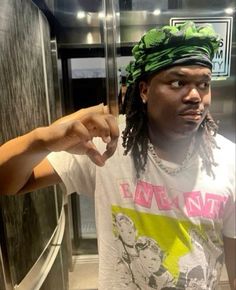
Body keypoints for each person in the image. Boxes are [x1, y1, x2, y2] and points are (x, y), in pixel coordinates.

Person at [0, 21, 235, 289]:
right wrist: (41, 140)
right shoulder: (108, 144)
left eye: (204, 84)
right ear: (144, 90)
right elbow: (9, 182)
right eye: (178, 81)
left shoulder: (229, 162)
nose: (195, 95)